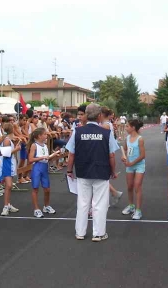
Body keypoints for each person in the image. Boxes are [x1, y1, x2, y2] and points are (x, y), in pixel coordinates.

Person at [66, 104, 119, 242]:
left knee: (83, 202)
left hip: (83, 171)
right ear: (99, 116)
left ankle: (80, 232)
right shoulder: (106, 133)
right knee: (99, 204)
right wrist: (113, 171)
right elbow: (111, 155)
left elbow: (71, 154)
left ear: (86, 115)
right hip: (101, 171)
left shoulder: (77, 132)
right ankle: (98, 233)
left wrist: (69, 170)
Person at [28, 128, 57, 218]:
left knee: (47, 188)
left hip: (44, 168)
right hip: (37, 168)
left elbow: (47, 158)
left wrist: (53, 156)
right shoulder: (34, 145)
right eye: (44, 134)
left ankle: (46, 206)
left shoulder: (45, 145)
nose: (46, 135)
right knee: (35, 188)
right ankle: (36, 209)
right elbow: (30, 159)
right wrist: (41, 158)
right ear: (39, 136)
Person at [121, 120, 146, 220]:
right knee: (129, 186)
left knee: (137, 186)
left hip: (139, 165)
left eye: (127, 126)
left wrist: (132, 162)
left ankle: (138, 210)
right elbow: (125, 149)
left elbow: (143, 155)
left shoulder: (140, 139)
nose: (126, 128)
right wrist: (124, 157)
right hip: (129, 165)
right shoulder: (127, 138)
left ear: (133, 128)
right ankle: (131, 205)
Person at [100, 107, 123, 207]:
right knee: (101, 179)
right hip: (107, 150)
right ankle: (113, 194)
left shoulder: (105, 125)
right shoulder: (106, 124)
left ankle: (113, 194)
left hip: (105, 151)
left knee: (101, 179)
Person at [0, 123, 21, 216]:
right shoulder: (7, 140)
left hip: (10, 163)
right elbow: (5, 153)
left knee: (9, 185)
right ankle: (5, 206)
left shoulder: (8, 139)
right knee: (8, 185)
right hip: (7, 163)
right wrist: (16, 149)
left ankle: (8, 204)